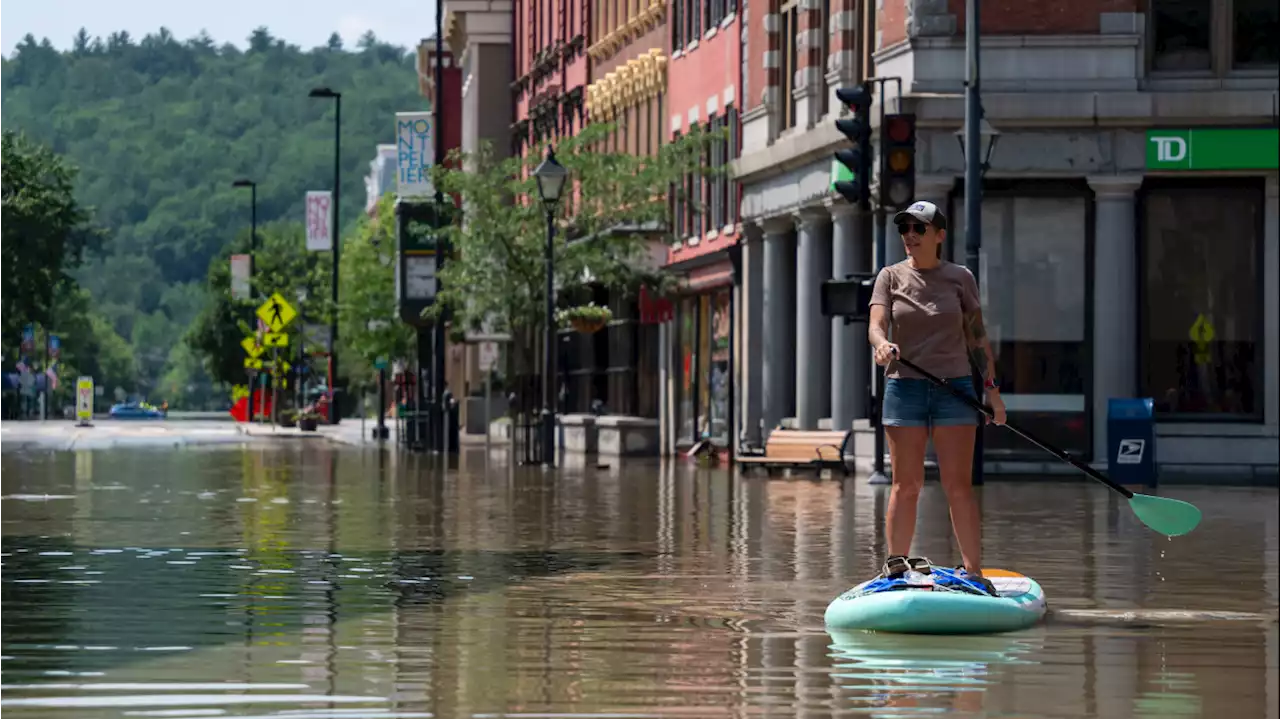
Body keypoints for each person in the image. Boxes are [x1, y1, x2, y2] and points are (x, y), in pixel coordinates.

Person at [866, 200, 1006, 596]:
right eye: (905, 228)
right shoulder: (889, 277)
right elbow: (876, 326)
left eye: (919, 228)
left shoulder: (960, 278)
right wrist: (881, 345)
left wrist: (993, 394)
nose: (910, 235)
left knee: (958, 485)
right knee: (904, 485)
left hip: (956, 390)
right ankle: (896, 569)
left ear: (939, 235)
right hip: (904, 386)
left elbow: (977, 339)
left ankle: (974, 572)